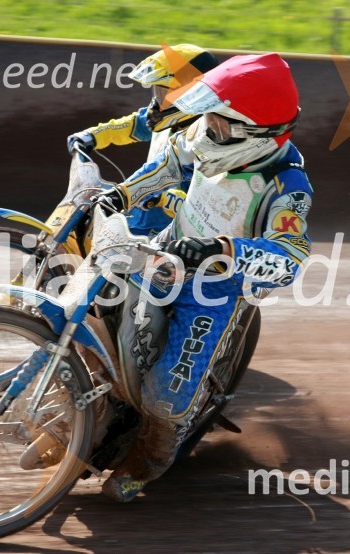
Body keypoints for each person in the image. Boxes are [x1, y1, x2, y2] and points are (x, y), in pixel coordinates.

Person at [94, 52, 313, 502]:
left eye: (219, 123)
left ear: (256, 133)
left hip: (215, 291)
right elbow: (171, 163)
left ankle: (148, 461)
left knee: (165, 394)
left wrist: (223, 249)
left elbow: (290, 256)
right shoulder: (203, 133)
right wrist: (122, 194)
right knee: (105, 321)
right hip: (165, 255)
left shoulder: (288, 188)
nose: (207, 129)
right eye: (208, 118)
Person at [67, 44, 219, 236]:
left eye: (166, 94)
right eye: (157, 92)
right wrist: (91, 136)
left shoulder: (209, 142)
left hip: (170, 235)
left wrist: (164, 198)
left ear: (192, 95)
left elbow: (204, 209)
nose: (158, 102)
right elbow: (129, 125)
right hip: (136, 218)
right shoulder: (159, 122)